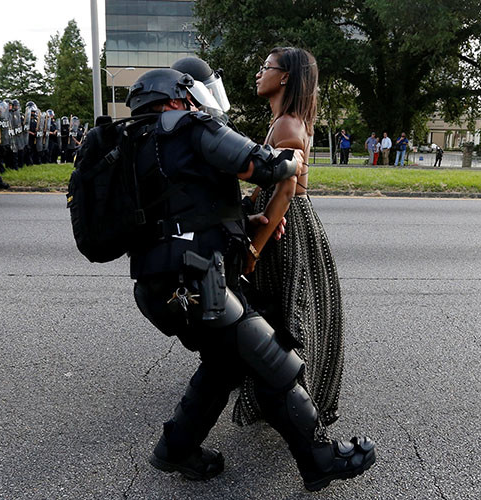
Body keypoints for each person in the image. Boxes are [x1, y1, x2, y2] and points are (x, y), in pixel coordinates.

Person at [119, 68, 375, 491]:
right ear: (176, 97)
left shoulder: (135, 142)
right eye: (188, 96)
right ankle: (318, 459)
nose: (194, 102)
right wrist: (294, 159)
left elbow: (181, 203)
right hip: (199, 282)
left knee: (223, 364)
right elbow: (263, 163)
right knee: (273, 362)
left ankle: (175, 449)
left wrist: (240, 220)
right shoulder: (188, 126)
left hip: (156, 285)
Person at [234, 45, 349, 431]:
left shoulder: (287, 125)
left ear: (284, 77)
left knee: (283, 312)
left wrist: (254, 248)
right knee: (284, 309)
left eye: (265, 67)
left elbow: (284, 192)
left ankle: (289, 400)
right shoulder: (287, 120)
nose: (258, 73)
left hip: (287, 224)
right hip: (282, 216)